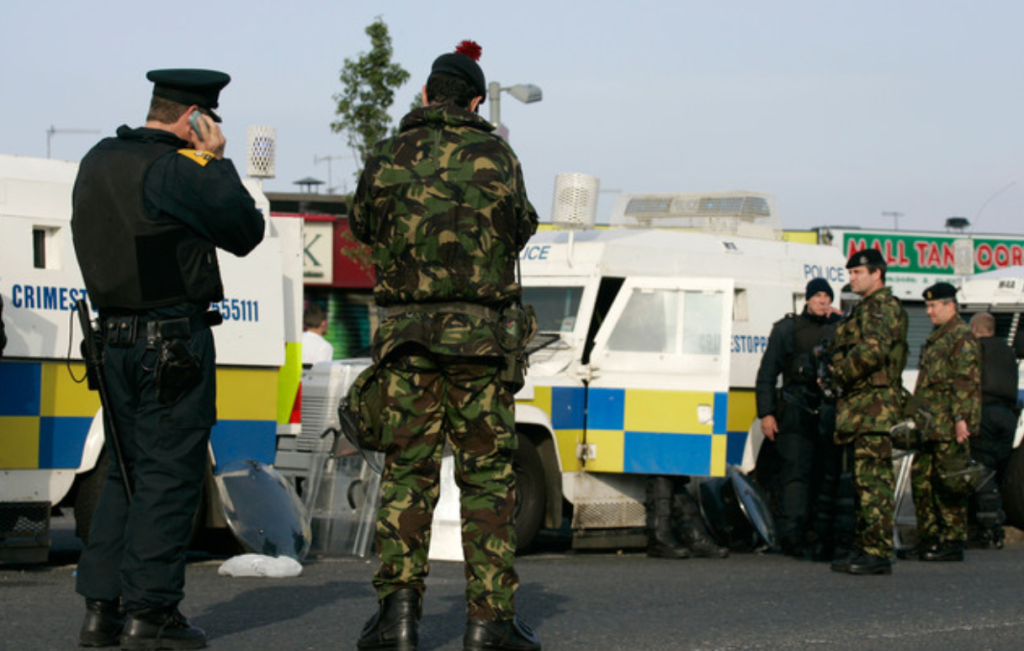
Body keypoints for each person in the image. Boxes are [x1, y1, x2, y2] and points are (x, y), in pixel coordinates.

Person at [349, 41, 541, 651]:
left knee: (408, 475)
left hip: (405, 343)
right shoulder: (498, 155)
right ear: (477, 101)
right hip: (481, 345)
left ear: (427, 95)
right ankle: (489, 622)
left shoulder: (386, 157)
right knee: (487, 480)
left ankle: (397, 619)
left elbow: (360, 224)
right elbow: (524, 227)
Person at [71, 69, 265, 649]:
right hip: (171, 345)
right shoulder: (179, 168)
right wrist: (217, 161)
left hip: (114, 342)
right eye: (210, 122)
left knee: (124, 475)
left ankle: (101, 609)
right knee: (170, 477)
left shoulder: (98, 159)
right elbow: (244, 228)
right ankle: (150, 615)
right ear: (195, 119)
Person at [828, 249, 908, 575]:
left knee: (874, 482)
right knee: (863, 482)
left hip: (874, 407)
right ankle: (865, 546)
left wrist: (839, 373)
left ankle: (877, 551)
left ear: (876, 273)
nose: (852, 279)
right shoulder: (865, 309)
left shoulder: (882, 307)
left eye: (857, 273)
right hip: (862, 407)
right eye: (850, 273)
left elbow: (873, 351)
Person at [755, 278, 843, 559]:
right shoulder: (787, 329)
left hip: (827, 412)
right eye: (817, 296)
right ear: (806, 299)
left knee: (824, 475)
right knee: (795, 476)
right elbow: (767, 374)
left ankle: (819, 536)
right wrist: (766, 414)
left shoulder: (838, 328)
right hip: (794, 412)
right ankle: (792, 536)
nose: (822, 301)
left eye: (826, 296)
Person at [909, 283, 981, 562]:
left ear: (950, 305)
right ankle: (929, 537)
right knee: (922, 480)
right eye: (927, 306)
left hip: (949, 424)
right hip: (930, 424)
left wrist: (961, 419)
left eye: (932, 306)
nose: (928, 312)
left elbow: (965, 381)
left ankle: (952, 540)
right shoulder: (938, 335)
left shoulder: (961, 336)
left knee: (949, 482)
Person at [968, 312, 1020, 548]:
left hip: (984, 413)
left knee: (981, 470)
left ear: (975, 330)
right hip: (1008, 415)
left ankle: (989, 529)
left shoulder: (976, 349)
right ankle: (998, 520)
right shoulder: (1008, 351)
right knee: (999, 469)